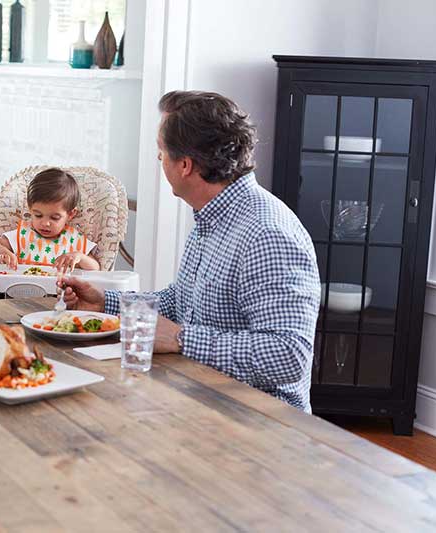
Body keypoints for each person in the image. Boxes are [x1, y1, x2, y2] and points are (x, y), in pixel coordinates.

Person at [62, 91, 321, 412]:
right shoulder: (212, 215)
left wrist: (181, 339)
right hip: (201, 398)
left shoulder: (267, 234)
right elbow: (182, 302)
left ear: (184, 165)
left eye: (161, 153)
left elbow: (288, 354)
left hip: (258, 422)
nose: (160, 161)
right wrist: (104, 302)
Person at [0, 167, 100, 271]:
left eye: (55, 218)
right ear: (30, 209)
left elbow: (96, 268)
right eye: (38, 215)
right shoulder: (23, 234)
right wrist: (0, 250)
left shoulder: (74, 240)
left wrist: (79, 257)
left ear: (70, 214)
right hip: (22, 291)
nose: (45, 223)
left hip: (61, 292)